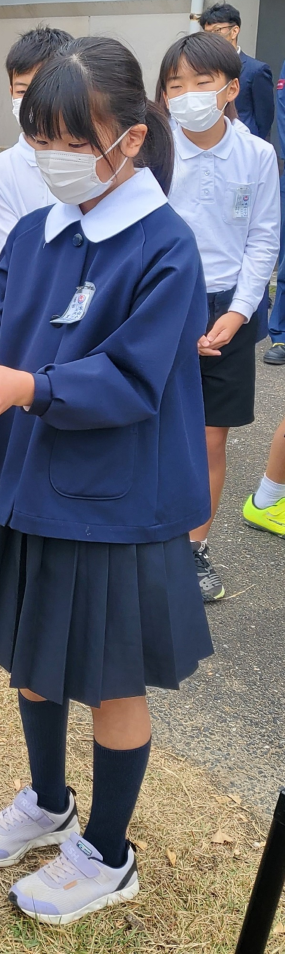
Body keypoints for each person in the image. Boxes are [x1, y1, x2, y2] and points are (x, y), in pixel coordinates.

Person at [0, 36, 212, 923]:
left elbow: (133, 377)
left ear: (129, 137)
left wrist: (33, 387)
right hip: (29, 483)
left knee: (111, 679)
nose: (50, 158)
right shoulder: (42, 229)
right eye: (38, 136)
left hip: (114, 501)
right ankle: (49, 801)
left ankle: (109, 853)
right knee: (32, 658)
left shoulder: (164, 246)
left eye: (69, 140)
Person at [158, 31, 280, 602]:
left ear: (231, 89)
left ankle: (193, 550)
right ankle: (142, 540)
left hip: (227, 306)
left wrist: (237, 314)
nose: (185, 94)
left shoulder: (256, 154)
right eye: (174, 84)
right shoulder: (151, 149)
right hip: (162, 303)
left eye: (200, 83)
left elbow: (262, 240)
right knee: (150, 428)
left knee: (209, 438)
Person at [0, 27, 72, 269]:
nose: (33, 100)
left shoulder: (100, 162)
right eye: (22, 90)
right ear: (11, 92)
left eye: (45, 87)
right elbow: (7, 263)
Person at [198, 3, 273, 143]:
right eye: (207, 33)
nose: (211, 38)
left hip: (245, 142)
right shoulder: (202, 69)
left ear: (234, 31)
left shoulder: (256, 70)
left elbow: (264, 119)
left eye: (217, 30)